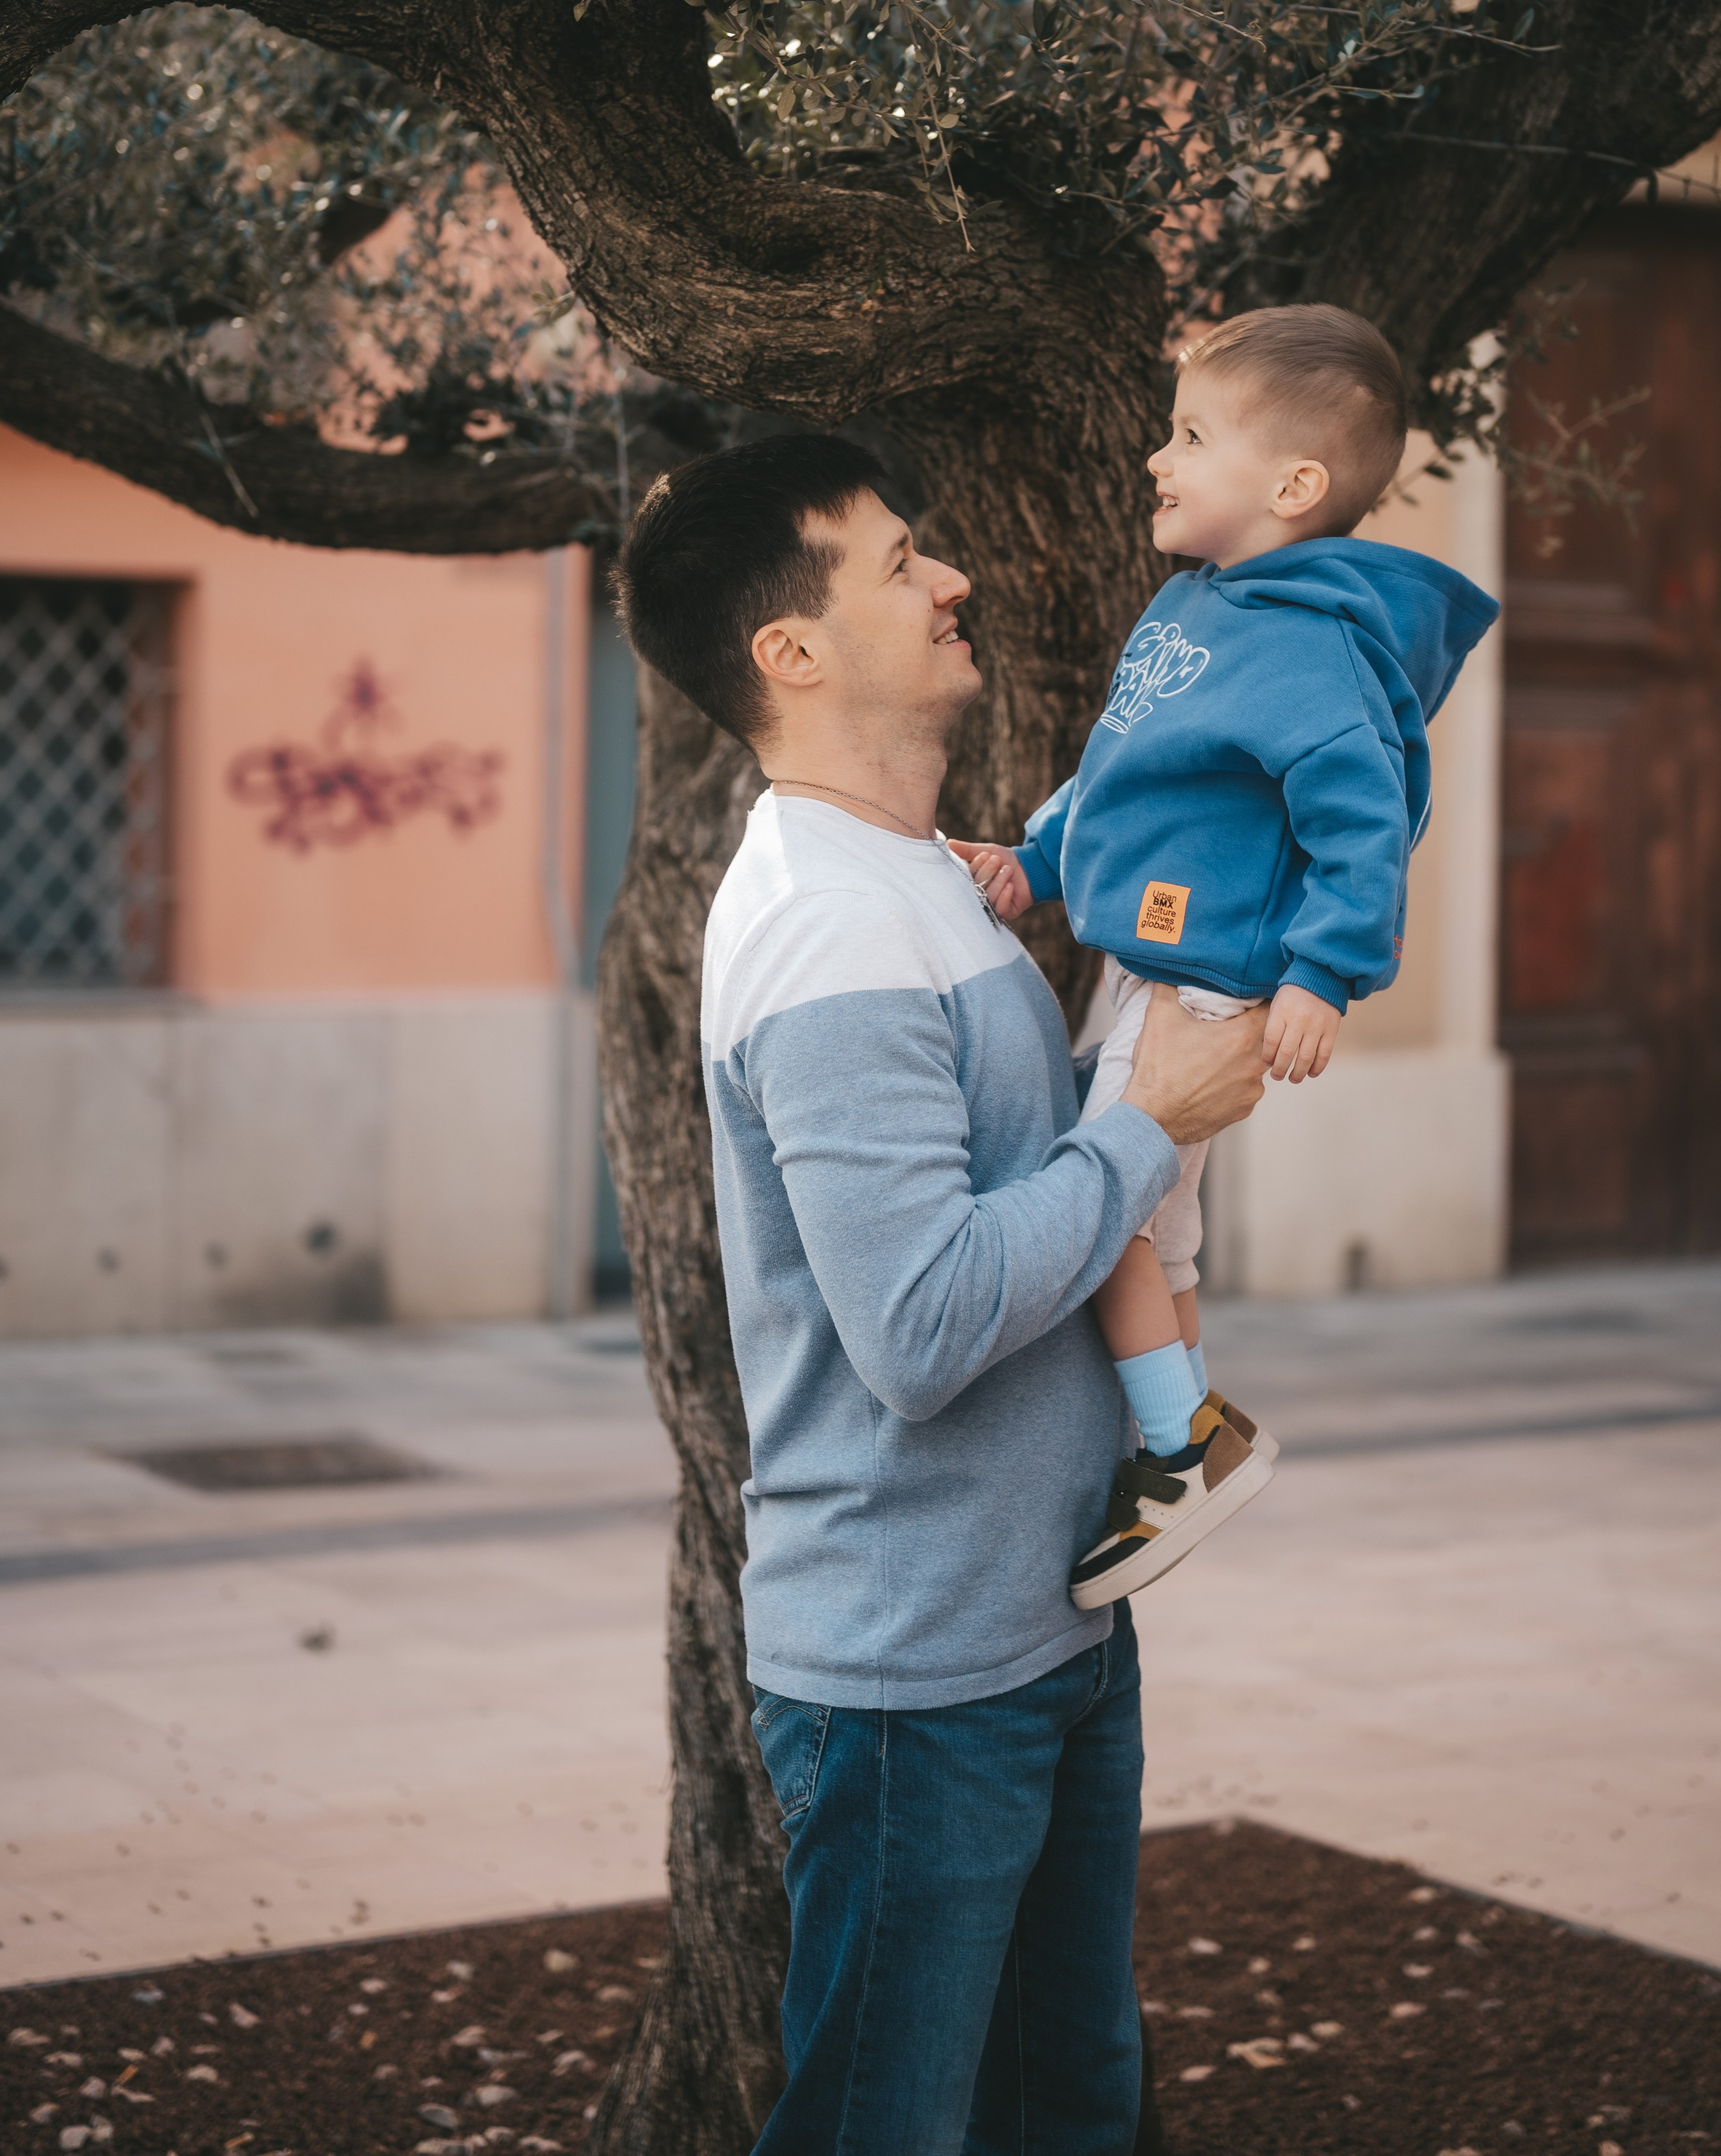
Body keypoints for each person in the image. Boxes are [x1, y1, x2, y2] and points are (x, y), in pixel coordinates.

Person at [616, 433, 1267, 2156]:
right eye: (899, 560)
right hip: (915, 1681)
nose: (951, 576)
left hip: (1044, 1623)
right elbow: (913, 1329)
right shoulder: (825, 925)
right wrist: (1145, 1124)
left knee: (1068, 2112)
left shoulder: (923, 882)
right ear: (792, 651)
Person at [954, 306, 1500, 1610]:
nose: (1159, 457)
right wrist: (1034, 859)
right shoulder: (1196, 603)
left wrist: (1323, 974)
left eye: (1192, 436)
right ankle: (1186, 1430)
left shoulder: (1308, 644)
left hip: (1211, 974)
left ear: (1294, 486)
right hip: (1142, 958)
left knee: (1101, 1192)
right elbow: (1120, 763)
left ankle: (1177, 1446)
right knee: (1163, 1231)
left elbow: (1364, 822)